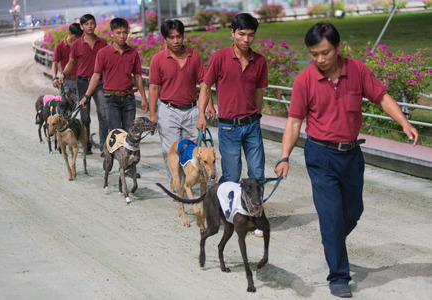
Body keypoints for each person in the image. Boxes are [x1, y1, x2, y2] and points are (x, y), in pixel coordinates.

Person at [274, 22, 419, 298]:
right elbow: (294, 122)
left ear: (337, 48)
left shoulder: (357, 70)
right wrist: (284, 156)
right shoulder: (304, 80)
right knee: (331, 217)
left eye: (325, 52)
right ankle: (339, 275)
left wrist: (403, 123)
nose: (319, 59)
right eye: (314, 54)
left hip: (352, 155)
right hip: (320, 155)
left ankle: (333, 240)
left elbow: (381, 97)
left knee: (353, 212)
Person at [197, 13, 268, 184]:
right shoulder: (219, 58)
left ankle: (254, 209)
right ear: (233, 33)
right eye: (241, 34)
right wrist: (201, 115)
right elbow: (205, 86)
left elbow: (259, 91)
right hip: (229, 127)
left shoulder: (259, 61)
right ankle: (227, 207)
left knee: (257, 173)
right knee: (231, 175)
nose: (246, 39)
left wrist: (256, 116)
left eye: (251, 35)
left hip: (252, 126)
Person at [149, 19, 215, 180]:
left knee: (193, 151)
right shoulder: (157, 59)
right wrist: (152, 114)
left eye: (179, 36)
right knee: (171, 151)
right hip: (168, 111)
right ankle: (176, 184)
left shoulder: (194, 55)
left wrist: (210, 105)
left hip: (192, 110)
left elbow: (203, 83)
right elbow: (154, 88)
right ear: (165, 38)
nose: (176, 41)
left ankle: (191, 183)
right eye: (171, 37)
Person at [80, 17, 148, 133]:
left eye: (125, 32)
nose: (122, 36)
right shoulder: (103, 53)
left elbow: (137, 76)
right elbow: (96, 76)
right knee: (115, 133)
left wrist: (143, 98)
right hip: (111, 99)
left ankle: (128, 152)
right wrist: (86, 96)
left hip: (129, 98)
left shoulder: (133, 53)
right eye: (118, 33)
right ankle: (110, 150)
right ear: (112, 34)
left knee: (130, 133)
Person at [58, 14, 108, 155]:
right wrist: (63, 74)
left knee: (103, 114)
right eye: (86, 24)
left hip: (99, 83)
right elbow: (71, 63)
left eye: (92, 23)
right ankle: (87, 145)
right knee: (84, 117)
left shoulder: (102, 43)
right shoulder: (76, 45)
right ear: (82, 27)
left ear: (95, 24)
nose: (90, 26)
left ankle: (104, 146)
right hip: (82, 83)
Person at [51, 23, 83, 107]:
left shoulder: (81, 45)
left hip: (80, 81)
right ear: (69, 33)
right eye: (76, 37)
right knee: (64, 107)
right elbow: (55, 63)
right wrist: (54, 78)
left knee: (80, 107)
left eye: (79, 37)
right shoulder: (59, 46)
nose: (77, 39)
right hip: (66, 81)